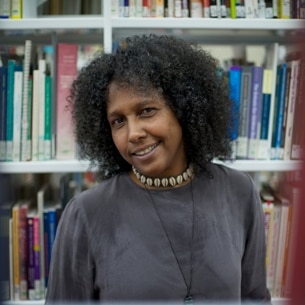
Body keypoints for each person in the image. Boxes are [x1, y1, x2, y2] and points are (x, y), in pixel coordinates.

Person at [46, 34, 270, 304]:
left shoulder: (238, 191)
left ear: (183, 109)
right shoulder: (86, 214)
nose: (133, 133)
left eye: (147, 111)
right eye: (118, 121)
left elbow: (254, 298)